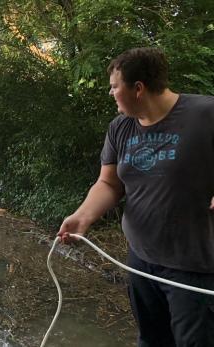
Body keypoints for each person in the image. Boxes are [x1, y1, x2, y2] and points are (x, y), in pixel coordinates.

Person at [57, 47, 214, 346]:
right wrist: (83, 217)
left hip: (194, 268)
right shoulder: (120, 128)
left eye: (115, 87)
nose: (111, 93)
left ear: (138, 88)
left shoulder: (206, 114)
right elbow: (109, 184)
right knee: (151, 341)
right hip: (140, 261)